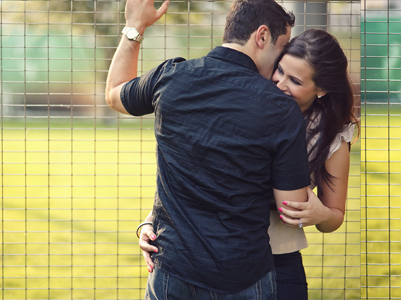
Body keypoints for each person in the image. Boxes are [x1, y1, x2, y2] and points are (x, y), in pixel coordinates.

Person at [104, 0, 310, 298]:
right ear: (262, 36)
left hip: (171, 271)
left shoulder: (170, 77)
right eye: (283, 47)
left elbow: (114, 95)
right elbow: (290, 206)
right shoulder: (280, 108)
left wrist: (135, 27)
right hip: (241, 277)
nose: (282, 62)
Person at [137, 28, 359, 300]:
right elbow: (200, 172)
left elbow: (335, 214)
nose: (279, 84)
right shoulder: (245, 102)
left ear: (322, 89)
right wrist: (152, 222)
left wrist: (321, 215)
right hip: (207, 260)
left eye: (296, 81)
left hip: (279, 262)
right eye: (280, 70)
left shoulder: (331, 135)